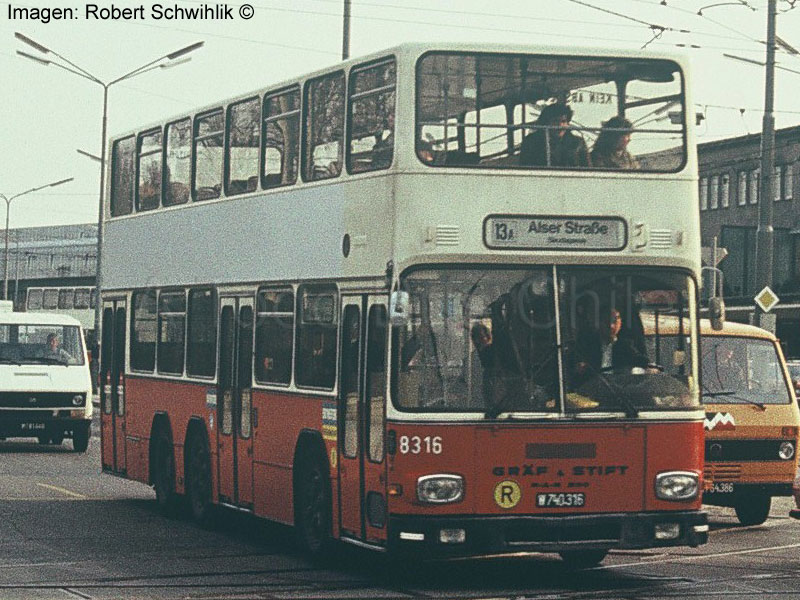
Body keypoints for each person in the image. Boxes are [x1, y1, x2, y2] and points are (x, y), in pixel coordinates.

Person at [572, 308, 648, 383]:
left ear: (620, 324)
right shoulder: (588, 346)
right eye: (606, 322)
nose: (611, 326)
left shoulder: (626, 346)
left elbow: (641, 362)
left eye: (615, 321)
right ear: (598, 323)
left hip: (616, 391)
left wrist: (649, 368)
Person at [519, 103, 589, 168]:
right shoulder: (531, 142)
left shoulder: (577, 143)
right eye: (555, 121)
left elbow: (588, 169)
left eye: (563, 121)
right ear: (546, 123)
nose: (560, 125)